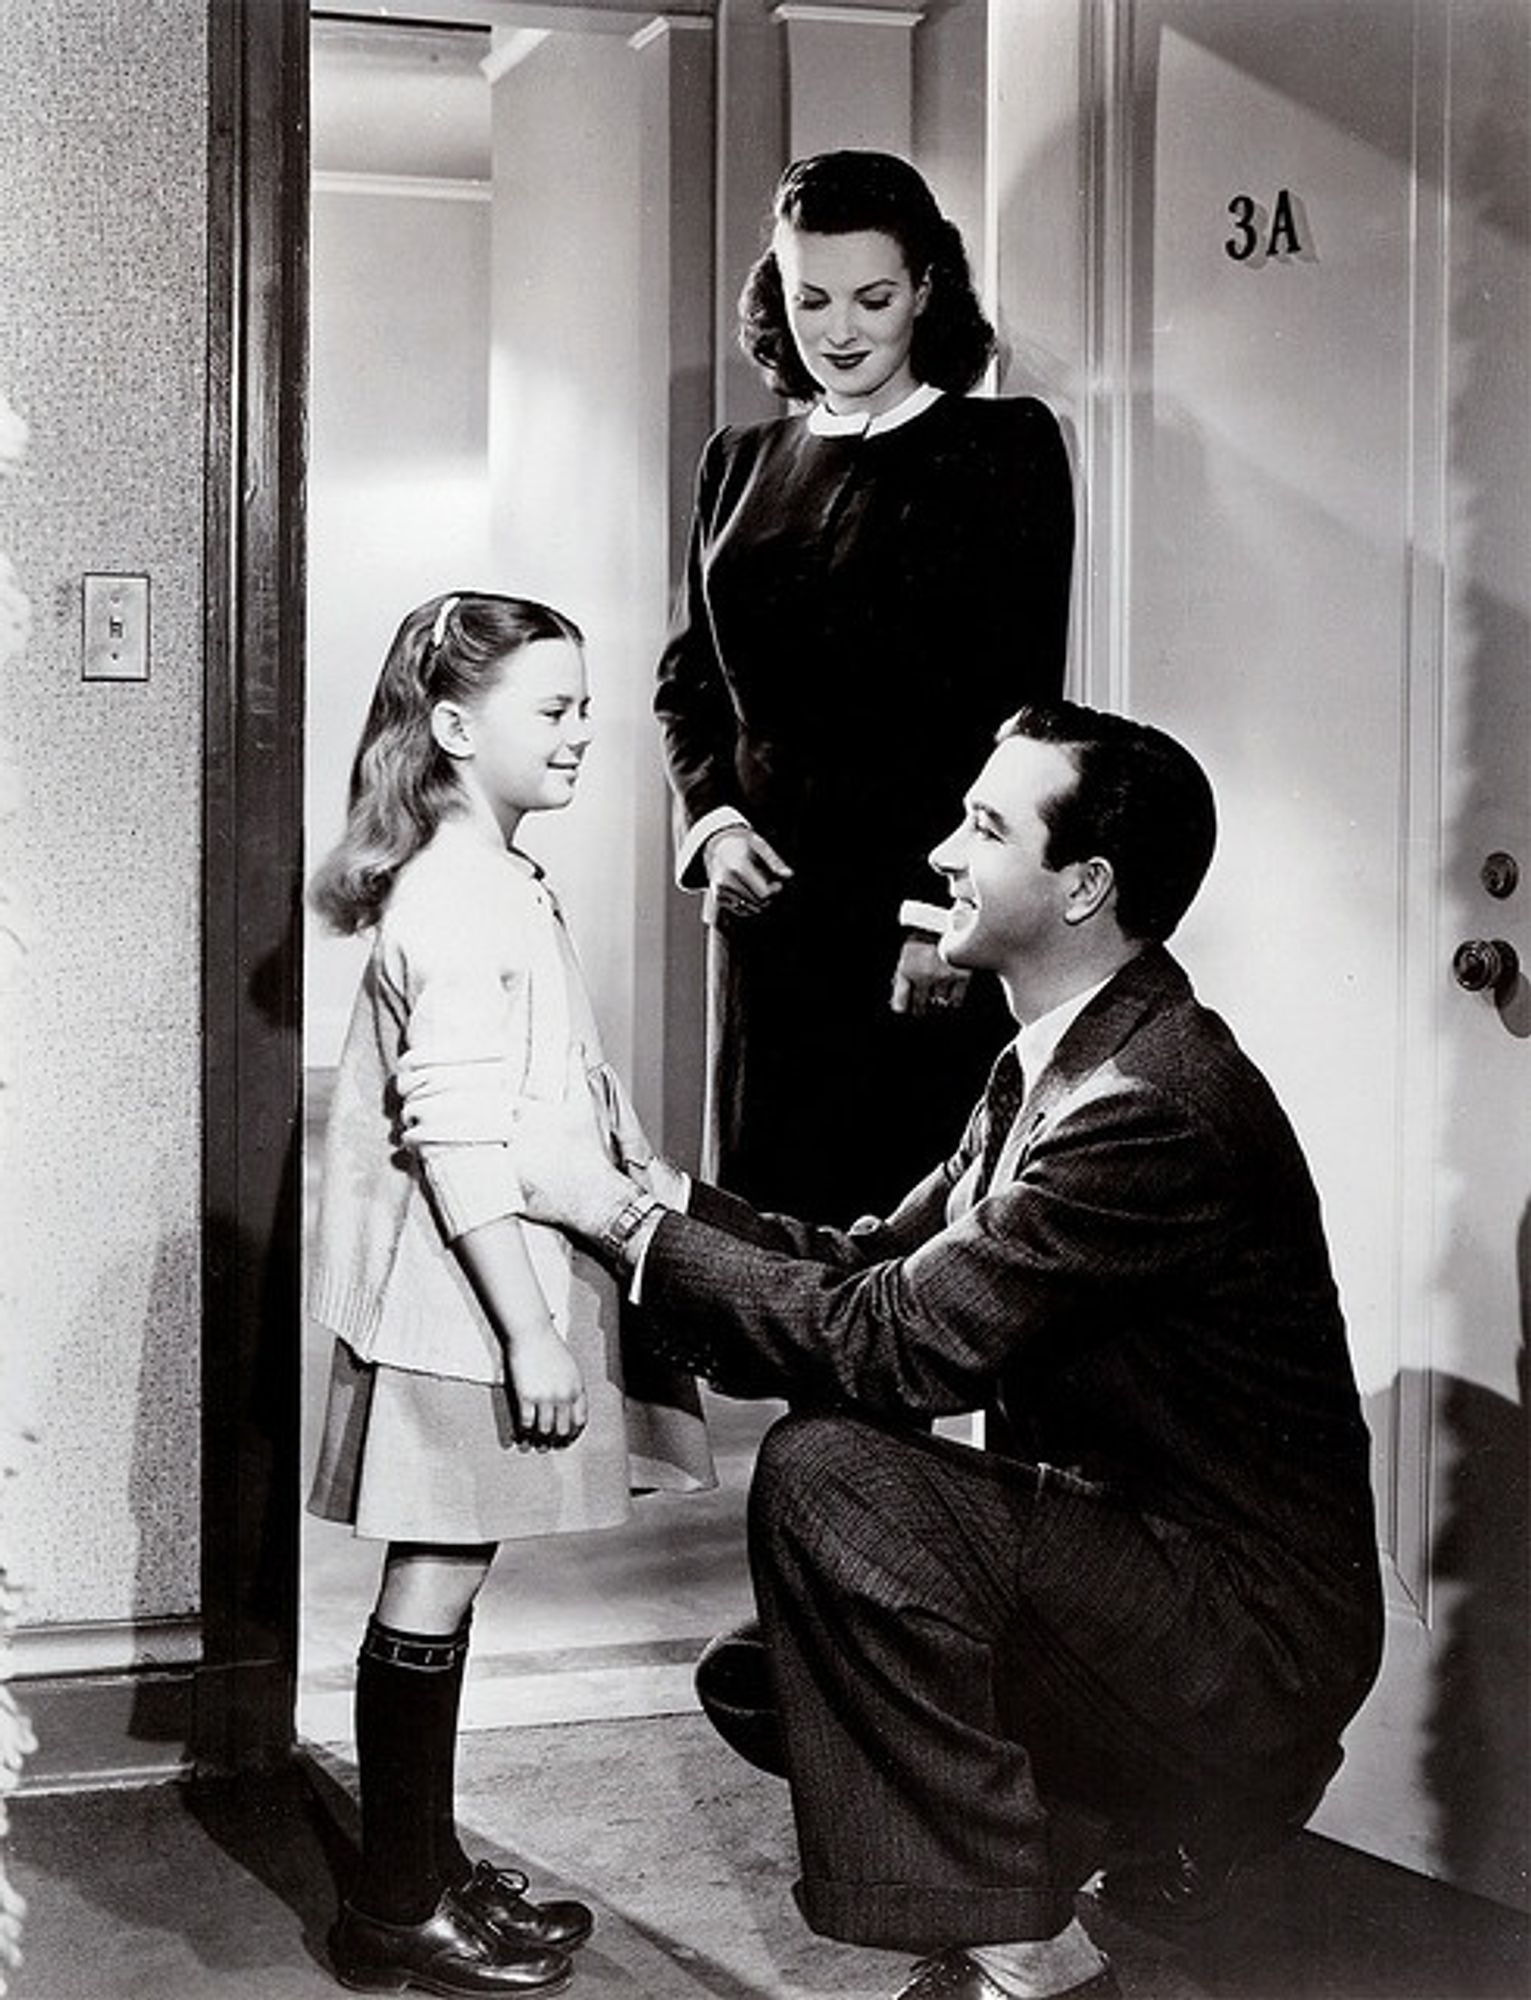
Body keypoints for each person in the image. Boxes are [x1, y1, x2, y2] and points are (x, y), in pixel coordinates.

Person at [452, 701, 1385, 2000]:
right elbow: (861, 1264)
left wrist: (612, 1219)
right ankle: (1113, 1837)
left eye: (984, 827)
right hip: (1139, 1567)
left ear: (1083, 887)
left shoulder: (1144, 1106)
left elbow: (894, 1342)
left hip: (1240, 1642)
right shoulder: (1048, 1066)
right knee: (769, 1679)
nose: (942, 852)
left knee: (830, 1476)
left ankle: (1036, 1957)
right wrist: (653, 1193)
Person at [306, 591, 714, 1997]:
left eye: (589, 705)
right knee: (432, 1569)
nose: (585, 733)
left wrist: (623, 1152)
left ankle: (416, 1861)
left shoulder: (494, 872)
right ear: (456, 726)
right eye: (554, 709)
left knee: (452, 1569)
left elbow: (541, 1074)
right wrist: (533, 1330)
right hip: (463, 1303)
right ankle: (391, 1908)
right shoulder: (457, 891)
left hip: (466, 1291)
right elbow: (458, 1130)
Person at [655, 149, 1075, 1221]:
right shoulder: (736, 461)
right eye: (811, 299)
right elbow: (687, 676)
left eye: (872, 298)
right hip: (764, 919)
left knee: (905, 1261)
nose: (839, 331)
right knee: (775, 1245)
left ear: (926, 290)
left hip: (915, 920)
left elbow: (1014, 705)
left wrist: (940, 915)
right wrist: (709, 822)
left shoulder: (1004, 448)